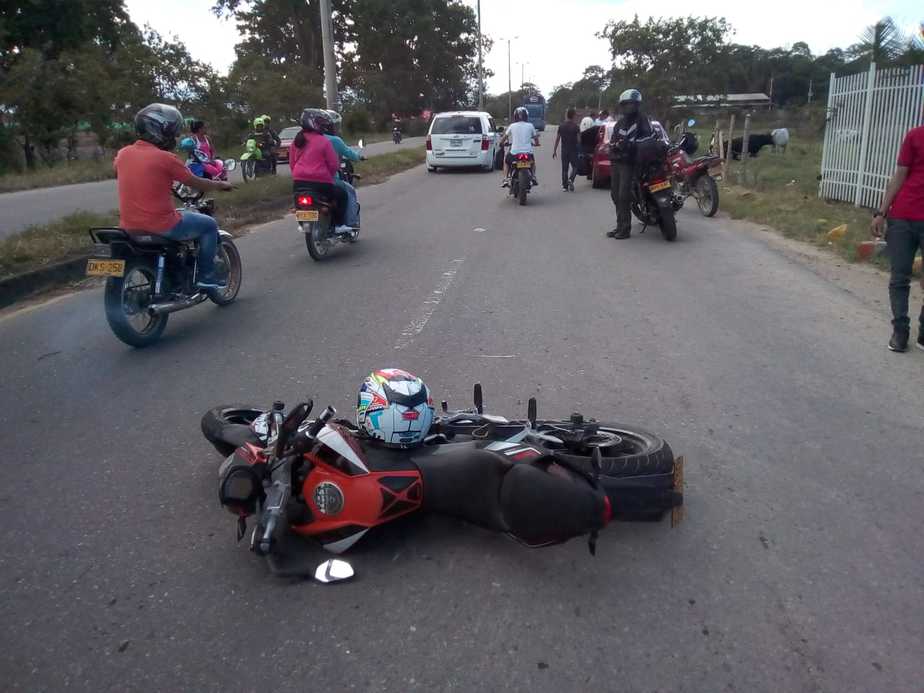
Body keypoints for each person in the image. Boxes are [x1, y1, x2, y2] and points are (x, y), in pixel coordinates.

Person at [113, 103, 232, 289]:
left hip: (128, 227)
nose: (174, 137)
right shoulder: (165, 158)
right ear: (159, 130)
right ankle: (206, 275)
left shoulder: (122, 154)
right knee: (209, 225)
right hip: (161, 225)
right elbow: (196, 182)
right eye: (172, 132)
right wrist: (221, 184)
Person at [871, 118, 924, 352]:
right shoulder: (915, 136)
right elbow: (900, 176)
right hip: (903, 216)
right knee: (899, 277)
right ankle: (900, 331)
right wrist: (881, 212)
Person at [289, 108, 351, 233]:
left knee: (299, 203)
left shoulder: (296, 141)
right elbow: (333, 164)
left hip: (299, 182)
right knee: (342, 195)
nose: (324, 125)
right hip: (321, 182)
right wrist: (329, 175)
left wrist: (298, 175)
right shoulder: (323, 141)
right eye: (321, 122)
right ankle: (339, 225)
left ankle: (303, 224)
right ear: (314, 123)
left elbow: (292, 163)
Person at [606, 89, 655, 240]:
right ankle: (620, 225)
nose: (629, 107)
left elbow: (649, 139)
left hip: (631, 162)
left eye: (632, 104)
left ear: (637, 104)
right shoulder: (620, 123)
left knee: (623, 196)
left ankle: (625, 229)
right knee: (615, 195)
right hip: (617, 161)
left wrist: (630, 145)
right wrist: (614, 145)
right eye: (626, 104)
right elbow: (613, 140)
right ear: (622, 105)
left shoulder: (643, 120)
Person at [322, 109, 363, 229]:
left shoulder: (310, 139)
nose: (336, 128)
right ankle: (347, 223)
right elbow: (349, 153)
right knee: (349, 191)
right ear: (328, 126)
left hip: (304, 181)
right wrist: (359, 157)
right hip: (328, 179)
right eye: (335, 125)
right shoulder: (334, 140)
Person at [500, 106, 540, 187]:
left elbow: (504, 137)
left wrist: (501, 143)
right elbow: (536, 139)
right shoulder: (530, 125)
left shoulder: (512, 126)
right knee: (532, 163)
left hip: (514, 153)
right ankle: (533, 177)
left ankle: (505, 179)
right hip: (528, 153)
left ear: (515, 116)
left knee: (506, 162)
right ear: (526, 116)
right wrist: (536, 144)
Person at [553, 107, 580, 192]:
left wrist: (554, 150)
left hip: (564, 150)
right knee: (575, 167)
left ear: (567, 115)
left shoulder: (561, 126)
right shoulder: (576, 127)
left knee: (565, 169)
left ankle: (565, 187)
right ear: (573, 116)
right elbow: (579, 140)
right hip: (573, 150)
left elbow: (557, 139)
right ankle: (571, 179)